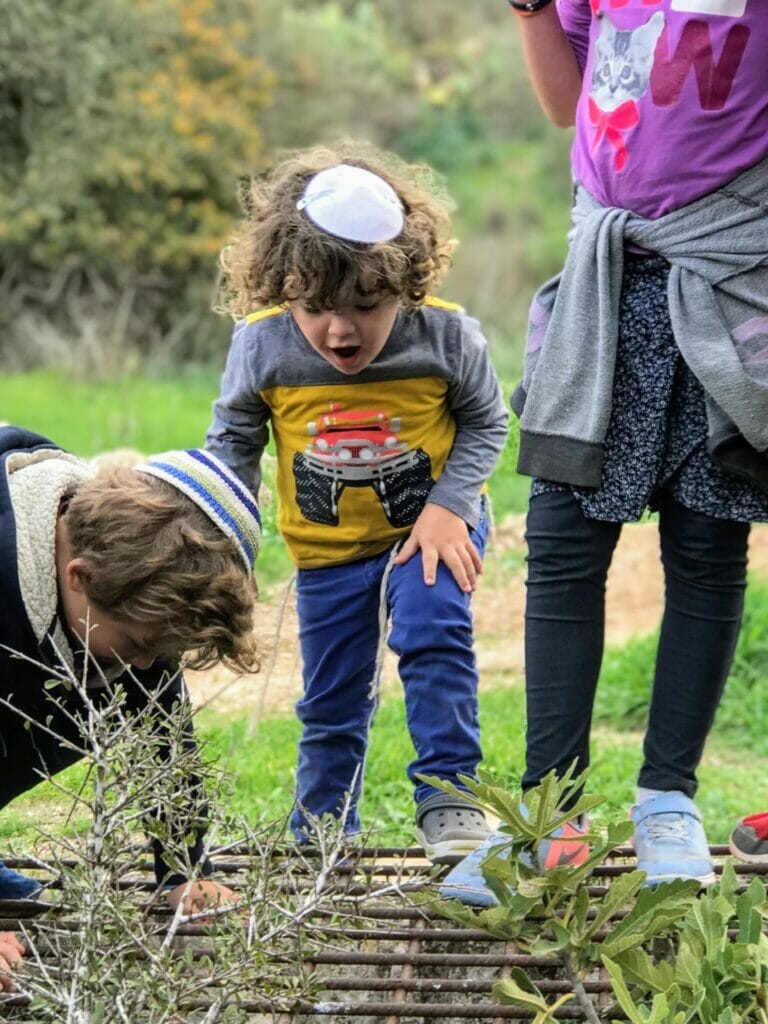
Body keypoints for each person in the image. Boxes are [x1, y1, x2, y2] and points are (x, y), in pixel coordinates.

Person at [442, 0, 768, 903]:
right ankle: (551, 820)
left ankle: (669, 800)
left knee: (706, 552)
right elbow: (565, 101)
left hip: (730, 272)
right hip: (604, 281)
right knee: (562, 548)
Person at [206, 142, 509, 864]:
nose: (340, 331)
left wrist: (449, 507)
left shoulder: (446, 335)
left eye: (366, 308)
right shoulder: (263, 348)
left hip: (429, 528)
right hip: (326, 548)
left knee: (434, 634)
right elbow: (232, 447)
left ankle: (450, 798)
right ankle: (322, 826)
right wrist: (227, 546)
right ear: (282, 289)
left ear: (404, 285)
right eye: (315, 309)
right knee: (332, 694)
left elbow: (488, 421)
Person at [0, 426, 263, 988]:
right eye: (143, 645)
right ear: (80, 578)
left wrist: (184, 868)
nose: (147, 667)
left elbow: (160, 733)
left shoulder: (121, 577)